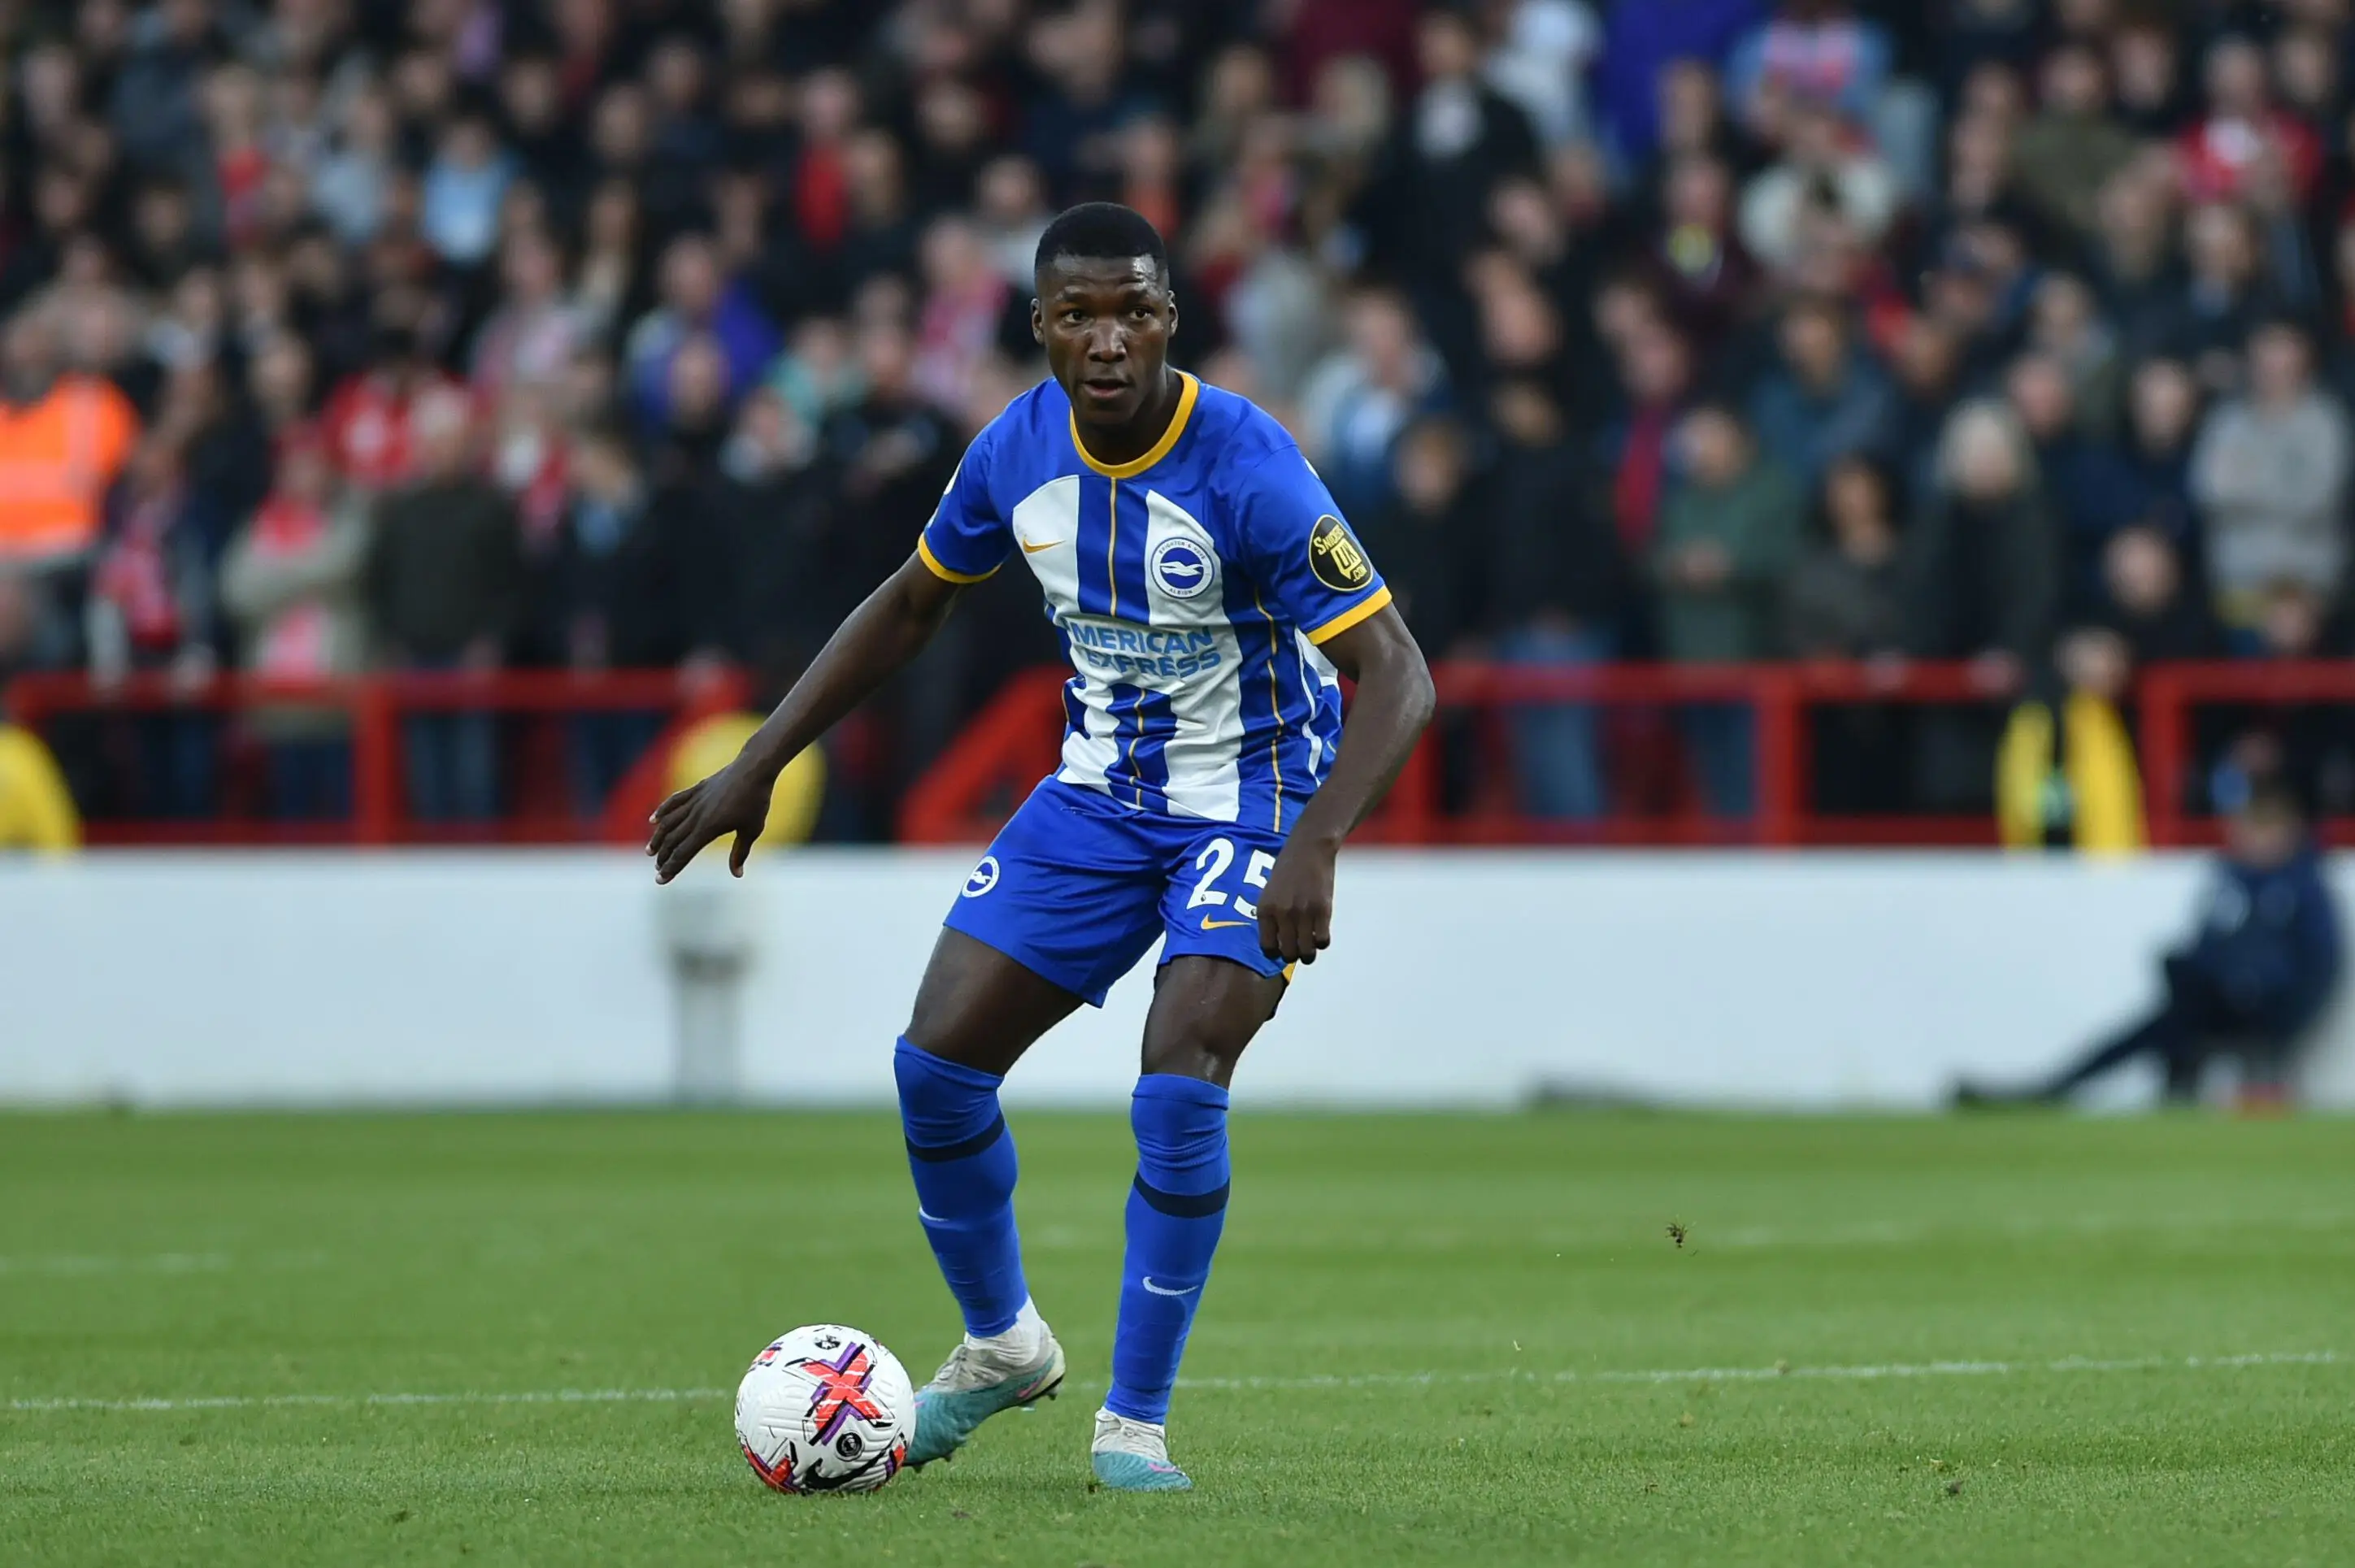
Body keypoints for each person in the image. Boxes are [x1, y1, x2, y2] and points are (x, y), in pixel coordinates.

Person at [646, 204, 1434, 1491]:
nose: (1107, 340)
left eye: (1133, 312)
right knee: (935, 1066)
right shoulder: (1013, 450)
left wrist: (1317, 842)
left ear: (1169, 320)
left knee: (1178, 1075)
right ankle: (1004, 1345)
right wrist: (760, 757)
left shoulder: (1248, 463)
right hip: (1098, 798)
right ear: (1040, 327)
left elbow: (1397, 673)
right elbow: (911, 606)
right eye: (1079, 315)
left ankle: (1133, 1424)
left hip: (1252, 800)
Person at [1957, 777, 2341, 1107]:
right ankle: (2055, 1088)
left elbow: (2319, 964)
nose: (2251, 841)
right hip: (2214, 1003)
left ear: (2286, 833)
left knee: (2171, 1020)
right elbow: (2209, 944)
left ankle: (2059, 1090)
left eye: (2262, 830)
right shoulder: (2229, 879)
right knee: (2169, 1001)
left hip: (2267, 1009)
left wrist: (2278, 1007)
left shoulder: (2303, 888)